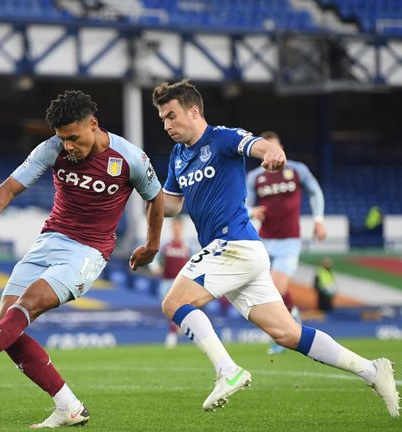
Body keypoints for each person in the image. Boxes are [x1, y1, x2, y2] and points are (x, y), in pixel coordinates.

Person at [0, 90, 165, 428]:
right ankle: (69, 407)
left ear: (93, 124)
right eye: (63, 139)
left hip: (88, 251)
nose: (69, 146)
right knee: (6, 328)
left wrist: (152, 245)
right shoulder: (52, 149)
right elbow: (12, 186)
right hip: (48, 242)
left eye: (74, 138)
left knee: (26, 306)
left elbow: (156, 198)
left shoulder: (129, 157)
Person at [152, 79, 399, 416]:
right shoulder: (179, 157)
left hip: (234, 245)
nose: (166, 125)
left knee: (173, 302)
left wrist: (272, 152)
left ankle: (228, 371)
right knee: (287, 333)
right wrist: (141, 185)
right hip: (239, 254)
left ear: (193, 111)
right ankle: (373, 371)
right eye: (163, 119)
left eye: (172, 116)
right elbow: (171, 206)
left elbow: (259, 146)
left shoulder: (223, 137)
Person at [245, 130, 326, 354]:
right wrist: (253, 211)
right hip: (263, 241)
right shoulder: (255, 177)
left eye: (274, 149)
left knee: (275, 289)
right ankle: (293, 318)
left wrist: (318, 220)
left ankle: (285, 331)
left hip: (289, 241)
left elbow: (315, 192)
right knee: (267, 290)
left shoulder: (297, 170)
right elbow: (243, 205)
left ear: (281, 150)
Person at [149, 217, 193, 349]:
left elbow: (195, 260)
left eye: (178, 226)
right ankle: (176, 329)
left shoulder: (188, 245)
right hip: (166, 281)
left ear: (182, 228)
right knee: (169, 309)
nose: (176, 229)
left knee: (180, 307)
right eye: (174, 226)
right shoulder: (165, 244)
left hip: (181, 283)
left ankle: (174, 333)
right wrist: (155, 267)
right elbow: (154, 258)